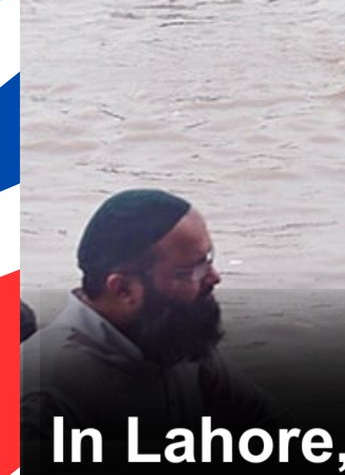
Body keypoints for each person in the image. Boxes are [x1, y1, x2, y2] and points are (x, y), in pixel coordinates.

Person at [20, 189, 276, 442]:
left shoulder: (176, 337)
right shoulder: (48, 388)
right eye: (190, 271)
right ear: (122, 289)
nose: (214, 277)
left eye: (208, 259)